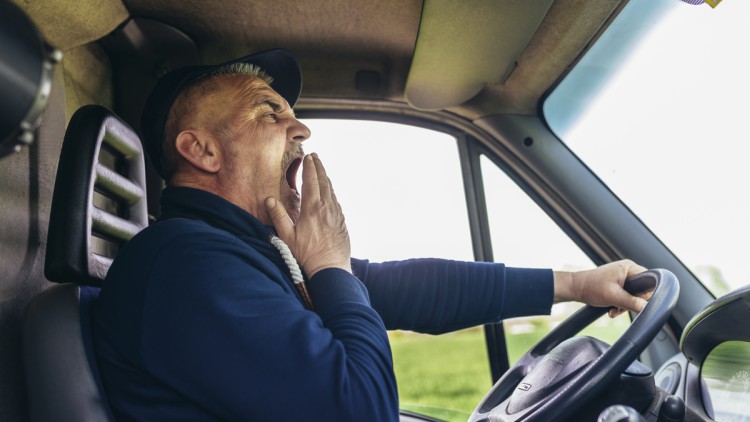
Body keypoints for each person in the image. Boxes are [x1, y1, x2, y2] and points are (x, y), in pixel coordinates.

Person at [92, 48, 649, 421]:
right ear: (203, 150)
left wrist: (580, 284)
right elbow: (363, 410)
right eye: (269, 113)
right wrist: (329, 262)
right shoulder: (187, 264)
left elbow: (403, 288)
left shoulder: (246, 254)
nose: (302, 128)